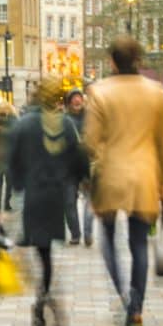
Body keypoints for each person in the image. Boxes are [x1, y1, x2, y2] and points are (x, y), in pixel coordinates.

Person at [84, 37, 163, 326]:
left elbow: (91, 142)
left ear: (111, 61)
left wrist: (88, 179)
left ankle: (122, 291)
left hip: (111, 175)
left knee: (108, 238)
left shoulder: (98, 92)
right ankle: (136, 306)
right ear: (139, 60)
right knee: (138, 244)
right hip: (145, 175)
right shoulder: (156, 93)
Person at [9, 75, 87, 326]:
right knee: (46, 257)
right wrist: (75, 179)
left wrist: (13, 195)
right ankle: (44, 307)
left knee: (40, 257)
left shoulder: (23, 125)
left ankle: (44, 307)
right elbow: (80, 160)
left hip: (33, 199)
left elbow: (13, 166)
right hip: (55, 199)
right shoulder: (65, 124)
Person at [63, 88, 94, 246]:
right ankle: (75, 233)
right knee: (69, 202)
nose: (77, 101)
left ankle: (88, 233)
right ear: (68, 103)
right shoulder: (63, 120)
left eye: (79, 98)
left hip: (88, 164)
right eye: (73, 99)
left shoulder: (91, 118)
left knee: (90, 200)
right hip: (69, 167)